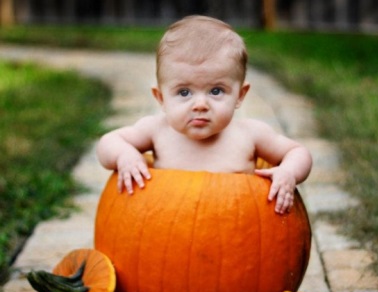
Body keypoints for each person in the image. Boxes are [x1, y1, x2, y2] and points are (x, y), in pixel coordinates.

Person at [96, 15, 312, 214]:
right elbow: (108, 143)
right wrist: (125, 155)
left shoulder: (250, 135)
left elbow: (298, 152)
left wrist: (289, 173)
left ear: (240, 95)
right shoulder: (157, 130)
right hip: (168, 230)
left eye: (216, 91)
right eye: (184, 92)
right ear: (161, 98)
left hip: (236, 232)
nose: (200, 104)